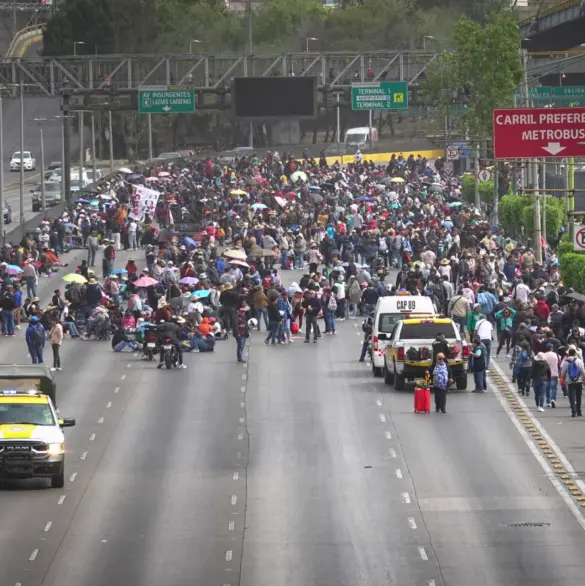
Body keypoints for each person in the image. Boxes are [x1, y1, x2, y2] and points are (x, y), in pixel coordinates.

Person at [561, 347, 585, 417]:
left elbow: (563, 372)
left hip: (570, 381)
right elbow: (583, 371)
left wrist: (562, 380)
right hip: (579, 381)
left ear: (568, 354)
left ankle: (573, 412)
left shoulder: (566, 362)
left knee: (572, 397)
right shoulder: (579, 361)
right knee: (578, 396)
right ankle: (579, 411)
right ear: (575, 354)